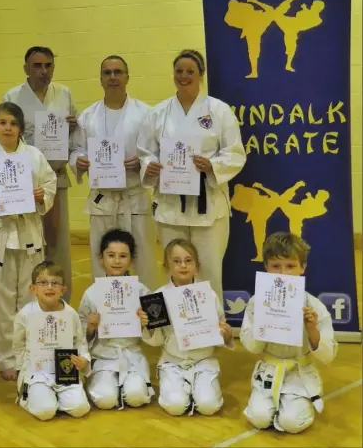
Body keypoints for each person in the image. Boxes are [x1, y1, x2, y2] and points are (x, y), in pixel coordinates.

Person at [137, 49, 247, 301]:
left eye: (190, 72)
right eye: (179, 71)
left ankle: (211, 328)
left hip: (207, 204)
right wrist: (150, 166)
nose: (183, 76)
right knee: (174, 266)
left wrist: (212, 165)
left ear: (201, 75)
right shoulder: (158, 113)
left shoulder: (219, 111)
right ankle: (176, 327)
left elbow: (236, 153)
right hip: (170, 204)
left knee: (208, 269)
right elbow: (145, 152)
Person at [0, 102, 57, 381]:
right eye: (2, 123)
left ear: (20, 128)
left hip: (29, 233)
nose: (8, 128)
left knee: (33, 296)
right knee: (2, 299)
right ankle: (6, 357)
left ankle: (32, 353)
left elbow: (50, 183)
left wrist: (42, 194)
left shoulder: (34, 156)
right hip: (2, 237)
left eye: (13, 123)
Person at [70, 55, 157, 288]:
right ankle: (105, 318)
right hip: (102, 199)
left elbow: (154, 151)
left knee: (143, 261)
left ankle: (148, 319)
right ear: (100, 79)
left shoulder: (146, 114)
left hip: (134, 197)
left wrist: (142, 163)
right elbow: (77, 149)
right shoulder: (88, 116)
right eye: (107, 73)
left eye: (118, 72)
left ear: (127, 77)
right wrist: (78, 161)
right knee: (102, 262)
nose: (113, 77)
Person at [241, 232, 337, 434]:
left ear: (302, 268)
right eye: (276, 266)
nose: (283, 274)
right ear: (266, 267)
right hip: (270, 367)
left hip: (299, 371)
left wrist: (312, 330)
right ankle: (268, 403)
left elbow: (328, 357)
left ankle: (298, 404)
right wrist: (262, 323)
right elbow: (252, 347)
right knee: (259, 418)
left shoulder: (314, 307)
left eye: (290, 266)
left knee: (291, 423)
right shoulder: (256, 303)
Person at [3, 46, 77, 302]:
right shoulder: (12, 96)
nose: (43, 71)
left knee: (58, 245)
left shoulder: (64, 93)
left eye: (48, 66)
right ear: (26, 68)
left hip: (56, 177)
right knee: (32, 245)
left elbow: (75, 138)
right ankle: (32, 303)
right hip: (24, 185)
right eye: (37, 66)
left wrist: (74, 126)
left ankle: (61, 303)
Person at [143, 239, 234, 416]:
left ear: (197, 266)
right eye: (176, 261)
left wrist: (226, 334)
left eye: (188, 260)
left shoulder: (209, 295)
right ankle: (179, 388)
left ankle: (200, 388)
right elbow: (156, 342)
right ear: (166, 266)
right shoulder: (157, 298)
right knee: (176, 406)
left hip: (204, 361)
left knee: (208, 406)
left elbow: (220, 329)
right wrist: (148, 326)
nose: (183, 265)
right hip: (173, 361)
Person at [78, 229, 154, 410]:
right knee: (105, 401)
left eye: (123, 256)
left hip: (131, 353)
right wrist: (90, 328)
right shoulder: (91, 293)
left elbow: (156, 333)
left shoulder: (142, 291)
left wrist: (147, 324)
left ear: (131, 260)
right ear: (101, 258)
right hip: (103, 354)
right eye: (111, 255)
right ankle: (101, 382)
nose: (117, 261)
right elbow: (78, 334)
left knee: (136, 397)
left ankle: (132, 383)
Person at [13, 261, 91, 421]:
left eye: (55, 283)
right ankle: (30, 396)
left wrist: (83, 359)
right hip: (36, 371)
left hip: (65, 370)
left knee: (80, 408)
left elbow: (79, 342)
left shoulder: (71, 314)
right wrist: (23, 369)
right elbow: (18, 344)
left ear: (63, 290)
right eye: (43, 283)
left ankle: (56, 396)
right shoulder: (25, 314)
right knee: (45, 412)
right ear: (33, 289)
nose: (49, 287)